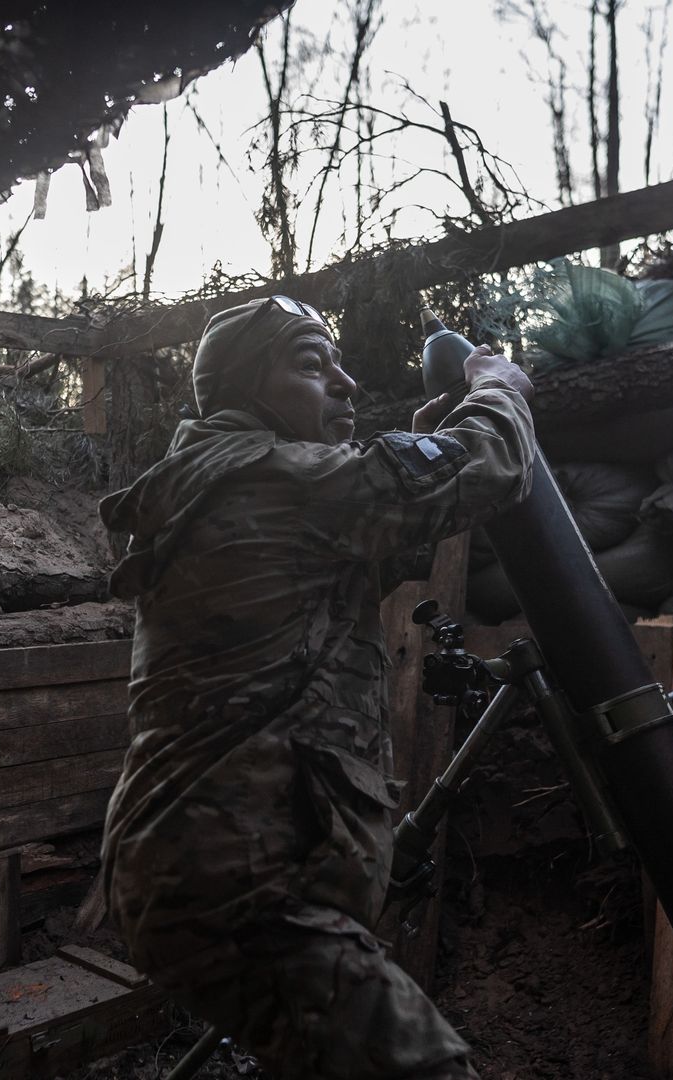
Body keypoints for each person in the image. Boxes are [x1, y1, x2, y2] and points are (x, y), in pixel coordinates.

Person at [94, 295, 537, 1079]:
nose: (347, 382)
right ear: (242, 391)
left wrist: (431, 446)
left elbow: (385, 530)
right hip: (249, 894)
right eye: (310, 363)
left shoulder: (239, 485)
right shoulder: (265, 477)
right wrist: (500, 387)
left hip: (216, 874)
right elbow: (482, 472)